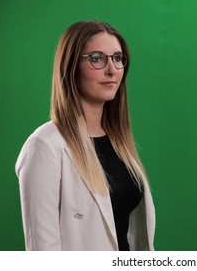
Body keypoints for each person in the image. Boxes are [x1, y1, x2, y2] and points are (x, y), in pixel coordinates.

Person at [15, 21, 155, 251]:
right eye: (97, 58)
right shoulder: (44, 146)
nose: (111, 69)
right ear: (70, 66)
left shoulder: (119, 142)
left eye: (117, 58)